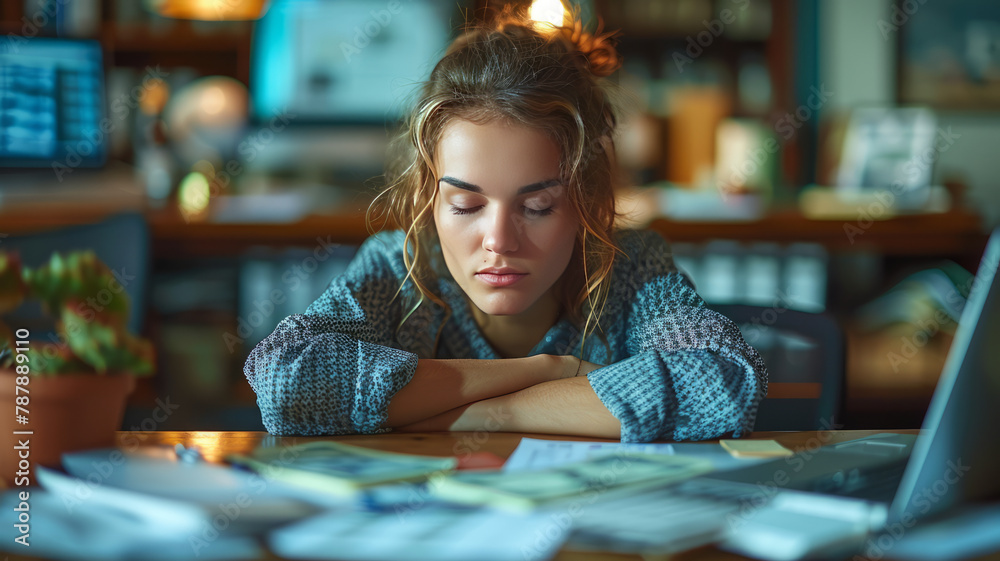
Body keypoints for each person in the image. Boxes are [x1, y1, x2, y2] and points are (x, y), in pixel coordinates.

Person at [244, 12, 767, 443]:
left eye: (537, 206)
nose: (499, 240)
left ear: (585, 200)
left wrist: (484, 413)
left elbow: (723, 384)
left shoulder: (630, 267)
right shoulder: (398, 265)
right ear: (429, 197)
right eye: (466, 205)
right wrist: (547, 371)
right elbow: (285, 380)